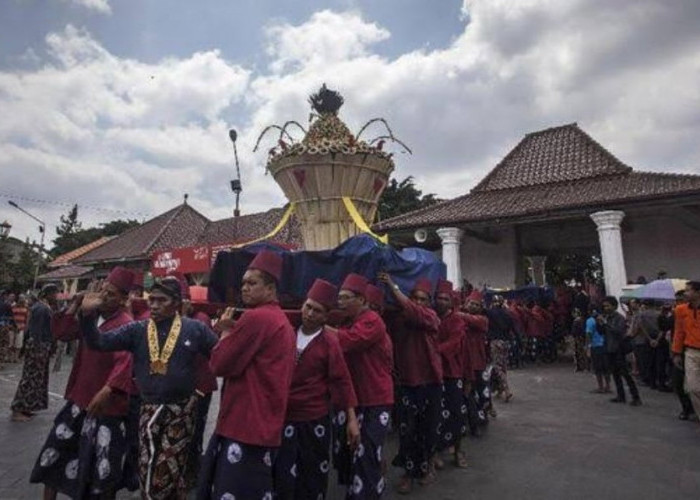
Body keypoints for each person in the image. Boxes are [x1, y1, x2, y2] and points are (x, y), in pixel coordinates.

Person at [80, 276, 218, 500]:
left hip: (181, 412)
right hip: (148, 410)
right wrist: (87, 316)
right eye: (151, 300)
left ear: (176, 303)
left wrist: (201, 388)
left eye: (161, 300)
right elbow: (99, 342)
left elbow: (220, 357)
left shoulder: (195, 329)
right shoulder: (138, 330)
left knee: (165, 472)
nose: (153, 305)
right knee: (147, 466)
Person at [30, 268, 136, 499]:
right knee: (54, 456)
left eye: (111, 293)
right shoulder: (91, 315)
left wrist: (109, 389)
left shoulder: (126, 324)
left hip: (106, 406)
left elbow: (125, 361)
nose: (104, 296)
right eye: (103, 291)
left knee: (102, 472)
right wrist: (76, 305)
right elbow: (62, 333)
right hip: (79, 398)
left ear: (122, 299)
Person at [198, 250, 295, 500]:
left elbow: (219, 364)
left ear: (271, 288)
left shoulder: (256, 317)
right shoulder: (279, 319)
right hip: (264, 422)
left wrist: (225, 333)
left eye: (252, 283)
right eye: (243, 283)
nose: (245, 288)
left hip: (244, 424)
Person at [274, 278, 360, 500]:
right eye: (308, 307)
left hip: (314, 420)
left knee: (311, 476)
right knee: (281, 475)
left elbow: (342, 381)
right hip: (283, 417)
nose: (310, 314)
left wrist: (351, 420)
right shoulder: (286, 332)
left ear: (326, 316)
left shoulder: (329, 342)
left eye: (318, 311)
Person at [331, 273, 394, 500]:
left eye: (346, 297)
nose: (341, 301)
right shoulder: (347, 321)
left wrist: (320, 326)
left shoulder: (372, 320)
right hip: (354, 398)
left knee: (366, 453)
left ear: (362, 300)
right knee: (352, 453)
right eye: (339, 297)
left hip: (375, 398)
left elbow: (347, 341)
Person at [380, 273, 442, 494]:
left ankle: (425, 469)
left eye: (423, 299)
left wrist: (392, 285)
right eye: (414, 297)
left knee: (427, 430)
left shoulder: (431, 317)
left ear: (429, 303)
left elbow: (414, 312)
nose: (418, 302)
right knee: (407, 432)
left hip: (430, 382)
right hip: (407, 382)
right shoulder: (399, 319)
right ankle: (408, 473)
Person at [433, 279, 469, 469]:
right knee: (437, 415)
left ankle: (457, 450)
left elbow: (454, 343)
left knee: (456, 414)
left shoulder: (456, 320)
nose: (441, 301)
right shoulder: (431, 317)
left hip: (452, 373)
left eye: (445, 298)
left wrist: (434, 351)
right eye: (438, 298)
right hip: (433, 374)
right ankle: (437, 450)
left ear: (451, 302)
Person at [10, 284, 58, 421]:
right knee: (30, 378)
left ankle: (27, 406)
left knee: (36, 380)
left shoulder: (43, 307)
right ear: (48, 294)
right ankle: (18, 409)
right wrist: (39, 348)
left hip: (41, 346)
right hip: (38, 346)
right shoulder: (41, 308)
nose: (56, 296)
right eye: (55, 293)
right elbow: (35, 331)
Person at [600, 296, 641, 406]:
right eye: (604, 306)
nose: (606, 308)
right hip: (609, 348)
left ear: (614, 306)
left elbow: (619, 331)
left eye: (608, 306)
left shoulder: (619, 318)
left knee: (625, 374)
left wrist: (606, 324)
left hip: (618, 348)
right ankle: (620, 395)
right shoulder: (607, 318)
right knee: (615, 374)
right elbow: (603, 332)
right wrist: (601, 325)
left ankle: (635, 396)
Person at [671, 280, 700, 418]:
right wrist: (676, 352)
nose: (685, 293)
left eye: (688, 290)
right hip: (691, 351)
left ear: (697, 292)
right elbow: (679, 332)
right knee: (692, 388)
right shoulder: (680, 310)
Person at [463, 291, 490, 427]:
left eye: (476, 305)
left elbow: (473, 320)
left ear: (480, 308)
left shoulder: (482, 320)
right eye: (471, 303)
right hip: (465, 364)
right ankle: (472, 420)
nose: (473, 306)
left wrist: (457, 314)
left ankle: (480, 418)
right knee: (468, 394)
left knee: (481, 394)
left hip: (479, 364)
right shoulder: (462, 319)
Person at [667, 292, 696, 420]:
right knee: (679, 383)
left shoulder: (689, 312)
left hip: (691, 348)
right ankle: (687, 408)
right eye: (676, 300)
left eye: (681, 300)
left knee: (693, 384)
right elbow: (667, 328)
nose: (678, 303)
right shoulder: (677, 312)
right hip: (680, 351)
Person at [485, 294, 515, 402]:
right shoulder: (508, 314)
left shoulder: (490, 313)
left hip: (495, 342)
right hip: (506, 343)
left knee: (497, 366)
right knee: (503, 366)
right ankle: (500, 389)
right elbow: (514, 329)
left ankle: (506, 389)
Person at [586, 307, 611, 394]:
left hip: (595, 345)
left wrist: (588, 346)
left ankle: (600, 387)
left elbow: (589, 334)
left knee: (597, 368)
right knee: (606, 367)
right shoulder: (605, 319)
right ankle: (607, 386)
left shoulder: (590, 321)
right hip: (605, 345)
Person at [11, 294, 29, 363]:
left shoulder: (26, 307)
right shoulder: (13, 306)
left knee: (19, 344)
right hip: (13, 327)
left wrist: (26, 326)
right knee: (12, 343)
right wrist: (15, 324)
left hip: (21, 327)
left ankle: (16, 357)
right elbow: (12, 316)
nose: (22, 300)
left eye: (23, 298)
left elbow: (27, 317)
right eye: (20, 298)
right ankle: (12, 358)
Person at [571, 308, 588, 372]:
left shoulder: (577, 321)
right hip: (579, 338)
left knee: (578, 353)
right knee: (580, 353)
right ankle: (581, 366)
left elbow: (575, 331)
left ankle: (581, 367)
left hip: (578, 338)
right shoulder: (581, 320)